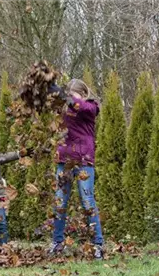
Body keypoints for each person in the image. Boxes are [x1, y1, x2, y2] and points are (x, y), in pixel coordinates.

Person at [48, 79, 104, 259]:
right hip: (64, 161)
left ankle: (98, 244)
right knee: (59, 203)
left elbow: (84, 108)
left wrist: (67, 97)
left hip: (83, 161)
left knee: (87, 201)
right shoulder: (64, 110)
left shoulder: (90, 107)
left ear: (84, 94)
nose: (70, 100)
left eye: (74, 96)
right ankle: (57, 243)